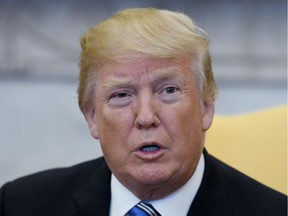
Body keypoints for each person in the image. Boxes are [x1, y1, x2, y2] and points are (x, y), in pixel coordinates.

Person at [0, 8, 286, 216]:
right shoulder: (20, 204)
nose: (146, 117)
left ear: (206, 107)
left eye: (169, 90)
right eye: (121, 95)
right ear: (91, 117)